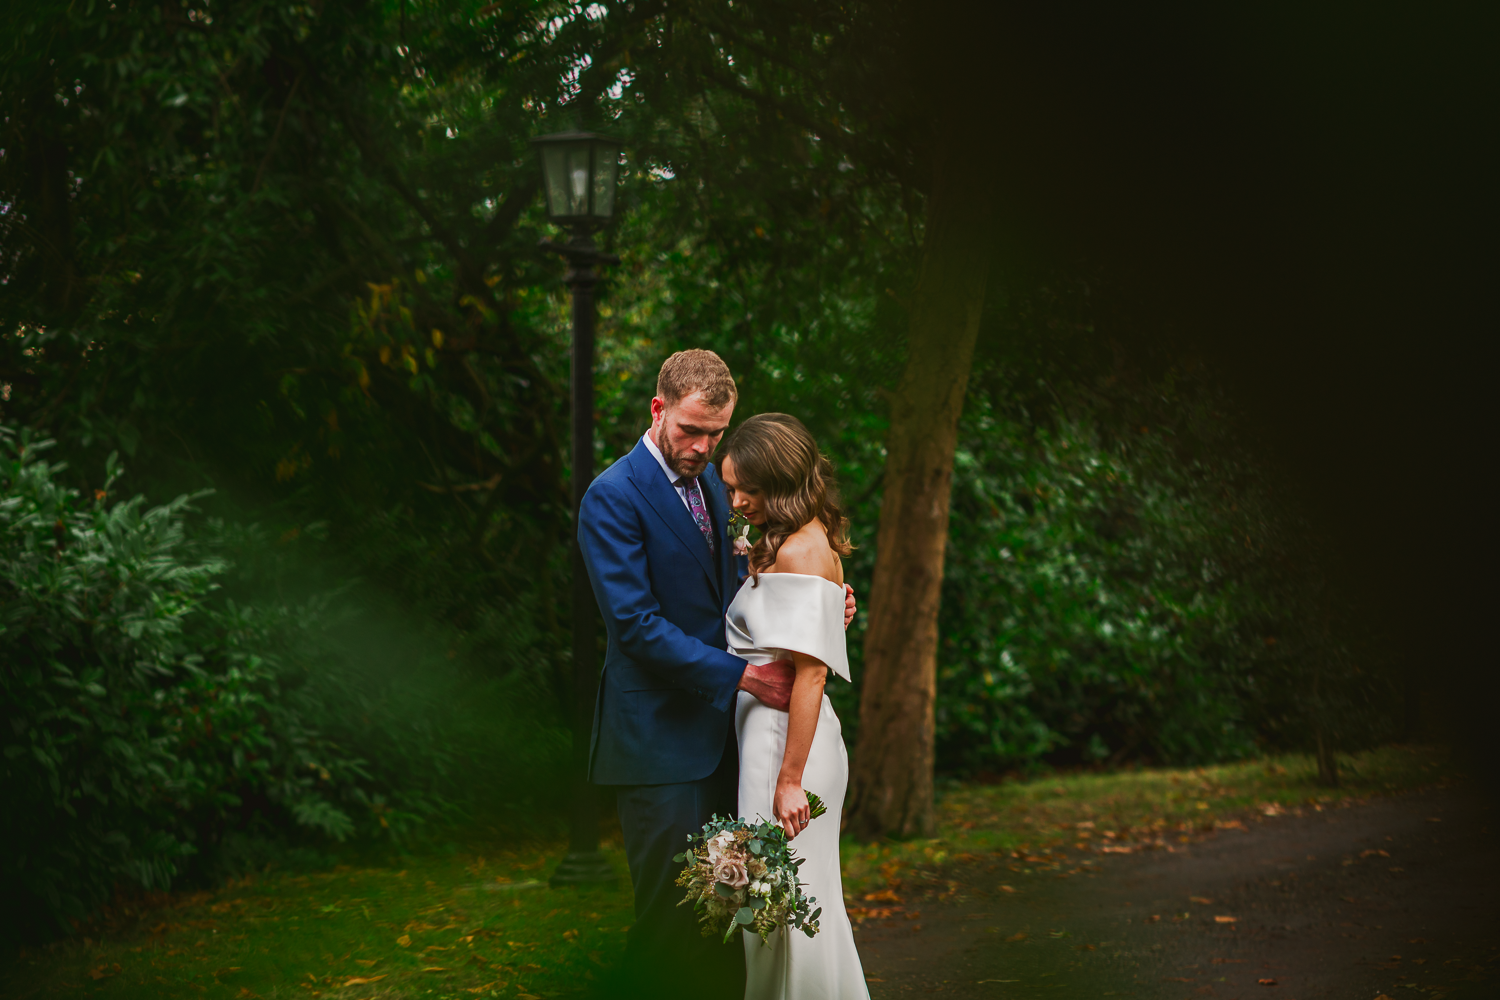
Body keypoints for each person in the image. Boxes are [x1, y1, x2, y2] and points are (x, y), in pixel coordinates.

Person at [577, 351, 855, 998]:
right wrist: (744, 678)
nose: (702, 447)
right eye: (690, 430)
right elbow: (636, 626)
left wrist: (815, 601)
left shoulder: (713, 484)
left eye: (715, 433)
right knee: (671, 921)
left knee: (736, 916)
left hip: (732, 743)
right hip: (659, 746)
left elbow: (740, 587)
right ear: (658, 409)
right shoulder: (612, 497)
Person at [719, 413, 870, 999]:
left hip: (789, 746)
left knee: (791, 908)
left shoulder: (804, 551)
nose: (736, 500)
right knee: (771, 908)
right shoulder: (791, 539)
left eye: (746, 489)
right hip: (770, 740)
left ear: (779, 481)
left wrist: (790, 779)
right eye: (731, 487)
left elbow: (810, 677)